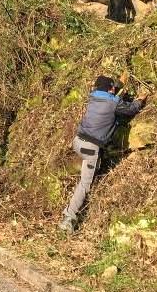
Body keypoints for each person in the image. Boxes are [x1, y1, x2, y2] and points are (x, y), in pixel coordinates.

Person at [59, 75, 148, 234]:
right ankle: (68, 218)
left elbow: (108, 94)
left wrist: (119, 83)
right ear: (111, 89)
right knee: (85, 184)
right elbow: (131, 109)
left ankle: (98, 162)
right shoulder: (113, 102)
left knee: (94, 160)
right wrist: (140, 99)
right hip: (90, 148)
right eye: (113, 87)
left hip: (77, 142)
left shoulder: (93, 98)